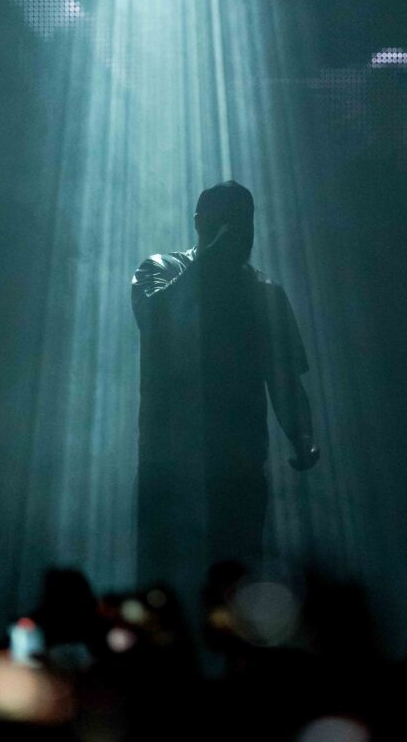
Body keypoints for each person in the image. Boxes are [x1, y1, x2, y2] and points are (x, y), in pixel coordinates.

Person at [131, 181, 319, 605]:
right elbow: (155, 320)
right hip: (168, 466)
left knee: (236, 587)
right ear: (200, 224)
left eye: (246, 223)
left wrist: (302, 434)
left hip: (238, 470)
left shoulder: (265, 293)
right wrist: (211, 262)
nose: (241, 233)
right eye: (228, 223)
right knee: (162, 587)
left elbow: (285, 377)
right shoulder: (160, 269)